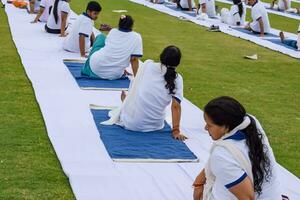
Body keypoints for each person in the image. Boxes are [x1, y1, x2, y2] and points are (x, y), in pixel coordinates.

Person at [193, 96, 281, 200]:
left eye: (209, 125)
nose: (205, 128)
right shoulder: (250, 122)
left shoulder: (221, 154)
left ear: (225, 127)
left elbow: (247, 198)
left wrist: (199, 187)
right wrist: (200, 181)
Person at [81, 15, 143, 80]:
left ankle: (86, 68)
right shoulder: (137, 37)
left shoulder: (113, 31)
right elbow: (134, 60)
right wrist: (137, 81)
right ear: (131, 25)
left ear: (119, 24)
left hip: (96, 67)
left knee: (101, 37)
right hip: (115, 75)